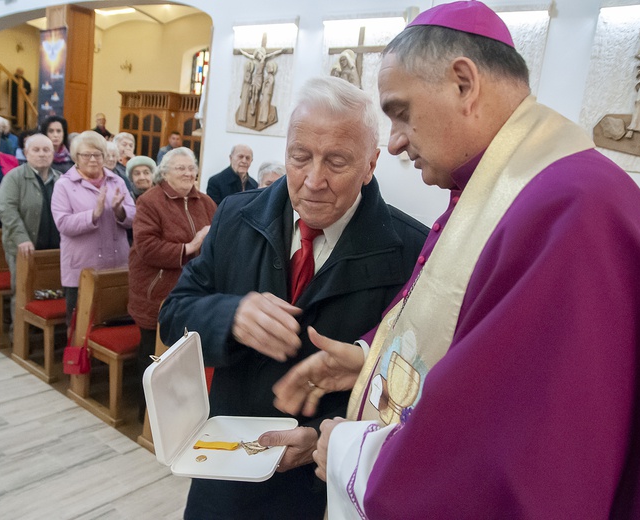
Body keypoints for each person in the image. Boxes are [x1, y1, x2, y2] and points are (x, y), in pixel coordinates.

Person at [272, 3, 640, 518]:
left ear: (464, 83)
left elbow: (522, 457)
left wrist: (354, 454)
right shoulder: (512, 189)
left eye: (401, 112)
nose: (394, 142)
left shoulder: (569, 209)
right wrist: (372, 361)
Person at [159, 76, 428, 520]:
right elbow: (173, 316)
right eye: (299, 157)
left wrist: (328, 433)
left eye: (337, 162)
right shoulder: (236, 216)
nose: (312, 180)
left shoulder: (409, 251)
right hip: (228, 469)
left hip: (320, 486)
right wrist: (230, 314)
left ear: (370, 164)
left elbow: (407, 382)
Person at [129, 147, 215, 417]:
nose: (188, 173)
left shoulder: (205, 202)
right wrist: (190, 246)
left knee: (185, 358)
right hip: (156, 290)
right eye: (181, 168)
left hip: (195, 294)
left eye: (191, 168)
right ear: (164, 173)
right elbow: (146, 247)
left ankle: (179, 414)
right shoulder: (150, 201)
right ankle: (146, 415)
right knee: (152, 356)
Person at [51, 131, 135, 323]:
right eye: (86, 155)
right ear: (76, 157)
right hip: (82, 267)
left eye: (97, 154)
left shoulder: (117, 180)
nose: (92, 159)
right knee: (80, 324)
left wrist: (119, 211)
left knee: (112, 321)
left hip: (117, 264)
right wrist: (93, 215)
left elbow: (134, 216)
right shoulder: (64, 185)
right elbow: (63, 224)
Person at [0, 133, 60, 323]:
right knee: (23, 290)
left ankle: (44, 337)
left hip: (54, 249)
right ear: (26, 153)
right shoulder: (14, 178)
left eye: (46, 150)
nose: (41, 154)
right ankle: (18, 337)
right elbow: (6, 209)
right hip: (24, 248)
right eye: (36, 150)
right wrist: (21, 238)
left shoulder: (61, 179)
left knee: (53, 292)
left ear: (53, 153)